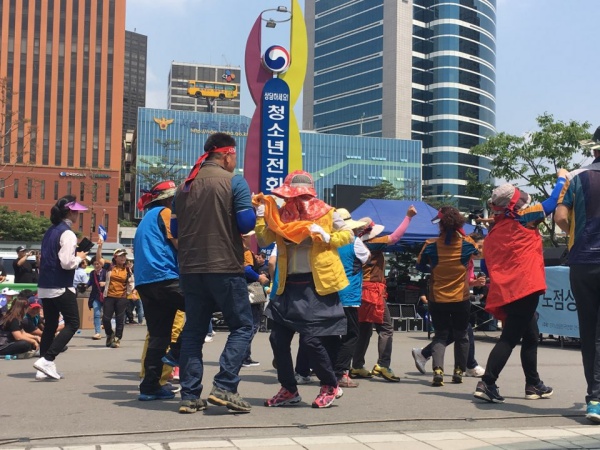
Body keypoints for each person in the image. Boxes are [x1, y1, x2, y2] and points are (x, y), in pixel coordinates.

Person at [172, 132, 256, 413]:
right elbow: (246, 225)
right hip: (224, 265)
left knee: (193, 332)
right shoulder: (234, 181)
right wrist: (253, 208)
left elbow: (175, 229)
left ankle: (189, 396)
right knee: (242, 326)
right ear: (227, 155)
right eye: (235, 156)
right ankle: (225, 386)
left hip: (190, 268)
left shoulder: (184, 186)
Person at [255, 170, 353, 408]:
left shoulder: (327, 212)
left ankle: (330, 385)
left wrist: (327, 237)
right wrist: (261, 216)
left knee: (311, 340)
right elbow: (264, 239)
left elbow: (348, 235)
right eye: (294, 196)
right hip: (288, 284)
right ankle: (289, 389)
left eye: (303, 196)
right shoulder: (281, 214)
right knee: (278, 339)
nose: (299, 200)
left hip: (316, 284)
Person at [473, 170, 567, 403]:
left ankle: (533, 384)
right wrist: (562, 179)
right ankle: (488, 382)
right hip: (525, 288)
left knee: (531, 335)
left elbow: (487, 264)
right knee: (509, 337)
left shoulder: (496, 230)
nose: (525, 200)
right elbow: (552, 202)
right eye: (521, 198)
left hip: (508, 290)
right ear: (514, 203)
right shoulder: (523, 218)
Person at [555, 134, 600, 422]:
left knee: (589, 330)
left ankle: (595, 399)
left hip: (583, 261)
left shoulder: (575, 177)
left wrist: (578, 233)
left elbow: (560, 217)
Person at [133, 179, 187, 402]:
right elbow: (179, 243)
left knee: (158, 336)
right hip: (165, 276)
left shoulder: (145, 220)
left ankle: (150, 386)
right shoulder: (165, 213)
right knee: (202, 307)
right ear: (169, 199)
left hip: (145, 282)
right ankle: (177, 351)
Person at [350, 206, 417, 383]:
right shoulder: (372, 243)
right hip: (372, 290)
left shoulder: (357, 244)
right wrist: (408, 217)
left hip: (361, 288)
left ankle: (357, 365)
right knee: (386, 328)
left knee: (364, 329)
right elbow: (395, 237)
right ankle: (383, 364)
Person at [416, 207, 479, 386]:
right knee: (461, 335)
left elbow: (419, 266)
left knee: (440, 335)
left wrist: (433, 268)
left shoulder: (430, 245)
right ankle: (458, 371)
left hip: (437, 298)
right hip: (461, 298)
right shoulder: (467, 244)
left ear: (441, 225)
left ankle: (438, 370)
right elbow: (477, 252)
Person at [33, 196, 89, 380]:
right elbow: (67, 263)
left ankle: (43, 365)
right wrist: (80, 257)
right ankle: (47, 360)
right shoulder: (68, 233)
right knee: (73, 323)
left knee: (50, 325)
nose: (78, 215)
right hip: (60, 285)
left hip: (45, 285)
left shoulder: (50, 231)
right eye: (77, 212)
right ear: (70, 212)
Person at [333, 209, 370, 388]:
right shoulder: (354, 241)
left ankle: (324, 368)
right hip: (348, 294)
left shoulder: (328, 241)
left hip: (329, 294)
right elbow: (366, 257)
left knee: (330, 334)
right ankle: (341, 372)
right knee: (351, 334)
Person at [97, 244, 135, 349]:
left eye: (124, 256)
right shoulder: (110, 266)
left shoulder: (127, 269)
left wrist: (132, 292)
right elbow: (99, 259)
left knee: (120, 319)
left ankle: (117, 339)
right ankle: (110, 334)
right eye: (120, 256)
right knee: (105, 319)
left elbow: (131, 282)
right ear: (115, 257)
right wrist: (100, 247)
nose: (123, 258)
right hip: (109, 296)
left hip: (122, 297)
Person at [241, 232, 270, 368]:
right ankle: (244, 356)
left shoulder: (239, 250)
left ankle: (245, 355)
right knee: (253, 323)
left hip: (246, 288)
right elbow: (247, 270)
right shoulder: (246, 252)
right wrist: (260, 277)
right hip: (253, 287)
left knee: (249, 323)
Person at [87, 257, 107, 340]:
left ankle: (109, 332)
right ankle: (97, 332)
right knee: (97, 314)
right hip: (95, 296)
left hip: (106, 296)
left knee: (107, 315)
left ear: (101, 264)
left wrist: (105, 283)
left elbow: (112, 282)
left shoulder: (106, 272)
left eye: (98, 264)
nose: (96, 265)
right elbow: (90, 282)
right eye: (94, 264)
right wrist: (85, 286)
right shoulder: (92, 273)